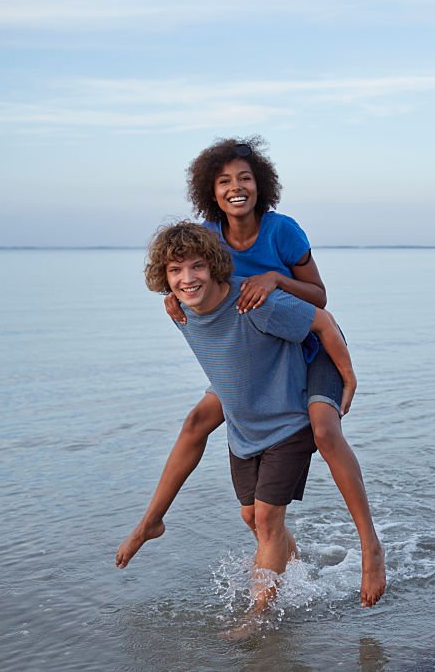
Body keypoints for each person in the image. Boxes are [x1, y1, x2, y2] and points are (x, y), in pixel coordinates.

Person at [163, 136, 385, 607]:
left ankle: (370, 546)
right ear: (211, 190)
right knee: (213, 444)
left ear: (261, 185)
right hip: (262, 354)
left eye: (245, 178)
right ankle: (291, 563)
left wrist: (275, 279)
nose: (236, 187)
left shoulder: (281, 230)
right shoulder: (208, 234)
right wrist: (171, 295)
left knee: (324, 429)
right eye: (224, 181)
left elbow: (320, 298)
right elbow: (186, 272)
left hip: (311, 341)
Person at [115, 221, 355, 612]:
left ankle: (259, 615)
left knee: (266, 519)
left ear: (213, 265)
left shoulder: (253, 302)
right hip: (245, 427)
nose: (187, 279)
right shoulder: (181, 312)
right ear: (163, 277)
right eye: (175, 271)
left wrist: (347, 378)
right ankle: (297, 573)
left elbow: (322, 321)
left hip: (289, 420)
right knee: (251, 516)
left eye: (196, 267)